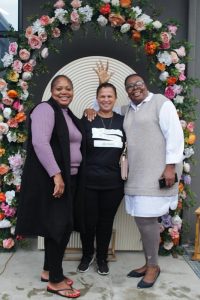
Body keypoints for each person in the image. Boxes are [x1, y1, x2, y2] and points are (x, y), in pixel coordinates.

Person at [85, 70, 184, 288]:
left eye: (138, 83)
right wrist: (92, 106)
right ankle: (148, 262)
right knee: (142, 220)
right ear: (127, 92)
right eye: (129, 86)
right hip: (135, 175)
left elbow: (176, 136)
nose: (135, 88)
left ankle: (154, 266)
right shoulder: (126, 110)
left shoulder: (161, 103)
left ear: (145, 84)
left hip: (156, 173)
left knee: (148, 221)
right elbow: (104, 107)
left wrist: (170, 167)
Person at [15, 75, 86, 298]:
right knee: (59, 229)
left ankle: (49, 270)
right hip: (54, 180)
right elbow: (39, 142)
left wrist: (92, 111)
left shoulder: (67, 114)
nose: (64, 92)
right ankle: (55, 280)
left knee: (60, 228)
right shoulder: (46, 109)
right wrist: (57, 175)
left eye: (68, 88)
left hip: (70, 178)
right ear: (51, 90)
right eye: (59, 88)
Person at [77, 82, 125, 276]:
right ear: (97, 99)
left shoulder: (123, 121)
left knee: (106, 223)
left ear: (115, 99)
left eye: (109, 96)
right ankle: (87, 255)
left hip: (114, 184)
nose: (106, 99)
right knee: (88, 222)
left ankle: (102, 258)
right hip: (88, 182)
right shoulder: (88, 118)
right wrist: (88, 109)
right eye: (102, 96)